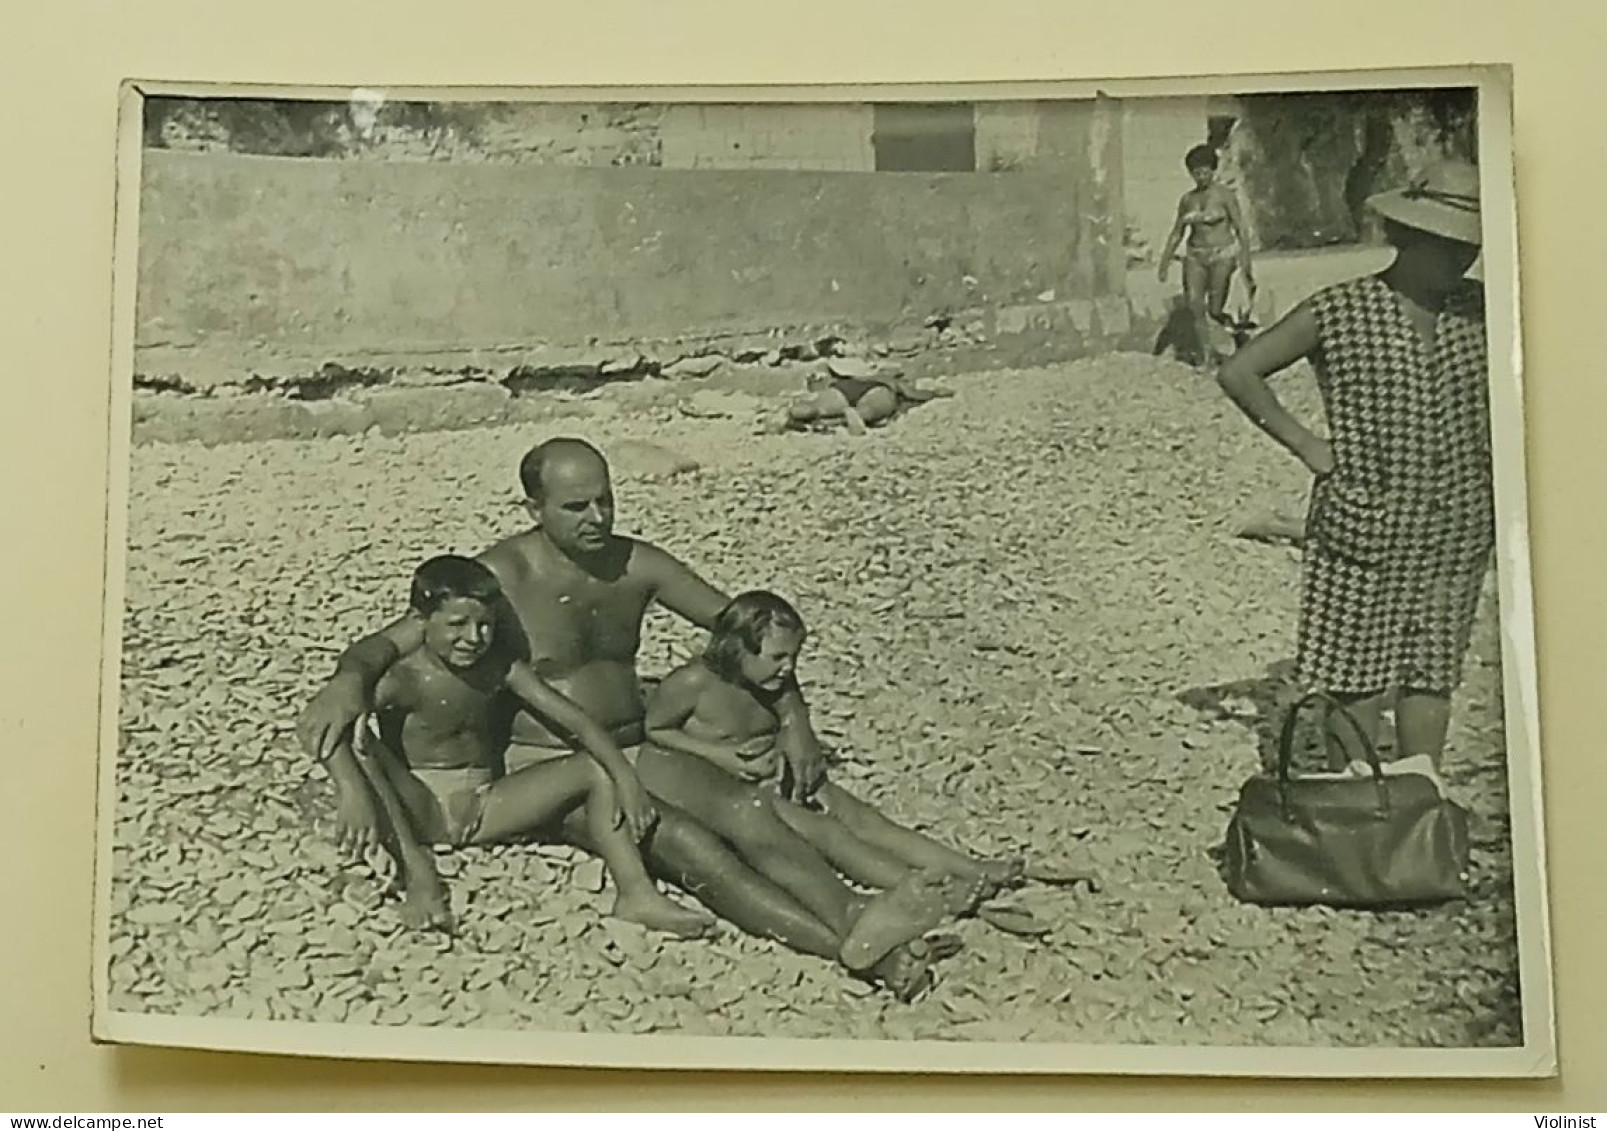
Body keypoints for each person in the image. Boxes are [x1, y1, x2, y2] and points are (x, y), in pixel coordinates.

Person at [298, 437, 955, 999]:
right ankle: (862, 952)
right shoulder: (499, 575)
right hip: (543, 765)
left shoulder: (635, 562)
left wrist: (796, 717)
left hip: (630, 744)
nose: (597, 517)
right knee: (694, 848)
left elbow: (750, 634)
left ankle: (861, 916)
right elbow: (397, 639)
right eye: (576, 506)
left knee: (751, 811)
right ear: (534, 508)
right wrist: (344, 681)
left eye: (605, 499)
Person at [1214, 159, 1491, 788]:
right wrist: (1308, 443)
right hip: (1364, 515)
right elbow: (1240, 371)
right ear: (1407, 236)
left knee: (1432, 663)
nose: (1460, 260)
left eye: (1468, 246)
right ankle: (1358, 805)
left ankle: (1418, 806)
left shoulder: (1482, 309)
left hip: (1460, 520)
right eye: (1446, 245)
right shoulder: (1342, 308)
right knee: (1354, 664)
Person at [324, 554, 715, 937]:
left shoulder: (498, 668)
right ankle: (419, 876)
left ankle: (636, 893)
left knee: (593, 768)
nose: (474, 638)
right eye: (458, 624)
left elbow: (577, 721)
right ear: (420, 621)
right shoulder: (402, 678)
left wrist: (625, 778)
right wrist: (352, 792)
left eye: (485, 625)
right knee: (360, 738)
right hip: (421, 805)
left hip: (488, 802)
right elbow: (328, 729)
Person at [640, 590, 1026, 969]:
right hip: (732, 786)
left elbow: (787, 715)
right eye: (778, 657)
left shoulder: (768, 684)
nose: (788, 668)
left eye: (793, 657)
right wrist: (719, 756)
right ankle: (921, 887)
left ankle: (968, 867)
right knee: (830, 834)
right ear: (737, 649)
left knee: (864, 819)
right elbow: (656, 730)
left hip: (774, 775)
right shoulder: (692, 684)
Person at [1158, 144, 1256, 368]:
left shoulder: (1224, 195)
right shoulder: (1187, 200)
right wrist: (1164, 262)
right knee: (1194, 304)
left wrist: (1246, 262)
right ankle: (1206, 356)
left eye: (1205, 171)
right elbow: (1177, 233)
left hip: (1222, 254)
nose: (1201, 177)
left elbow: (1240, 228)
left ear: (1213, 171)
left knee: (1215, 309)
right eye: (1196, 172)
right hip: (1195, 255)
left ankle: (1236, 333)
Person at [771, 367, 954, 435]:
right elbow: (915, 394)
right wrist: (936, 394)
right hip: (876, 392)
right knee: (869, 410)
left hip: (844, 388)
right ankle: (855, 415)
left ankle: (789, 413)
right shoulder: (891, 382)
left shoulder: (861, 376)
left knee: (816, 408)